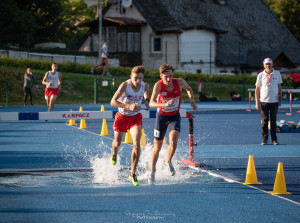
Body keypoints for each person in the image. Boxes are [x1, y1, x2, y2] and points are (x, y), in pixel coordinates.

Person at [148, 64, 197, 184]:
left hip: (174, 117)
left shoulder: (179, 82)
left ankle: (168, 161)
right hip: (161, 118)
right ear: (161, 76)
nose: (169, 79)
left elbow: (189, 89)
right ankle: (152, 172)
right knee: (157, 147)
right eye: (166, 77)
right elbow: (151, 103)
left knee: (174, 141)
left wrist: (192, 101)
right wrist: (164, 105)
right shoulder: (158, 85)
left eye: (170, 76)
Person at [110, 65, 150, 186]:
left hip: (135, 117)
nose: (138, 81)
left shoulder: (145, 85)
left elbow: (146, 93)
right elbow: (112, 102)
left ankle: (132, 173)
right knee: (117, 143)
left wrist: (147, 101)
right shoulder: (125, 86)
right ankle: (114, 153)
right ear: (131, 77)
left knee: (137, 144)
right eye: (135, 78)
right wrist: (129, 106)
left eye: (140, 78)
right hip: (122, 116)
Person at [255, 58, 282, 145]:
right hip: (264, 101)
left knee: (273, 121)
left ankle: (274, 139)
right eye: (266, 64)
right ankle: (264, 139)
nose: (268, 65)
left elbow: (279, 87)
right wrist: (256, 103)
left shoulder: (277, 73)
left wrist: (280, 98)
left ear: (272, 64)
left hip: (274, 101)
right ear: (264, 65)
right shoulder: (260, 75)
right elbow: (257, 89)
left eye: (269, 64)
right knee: (264, 122)